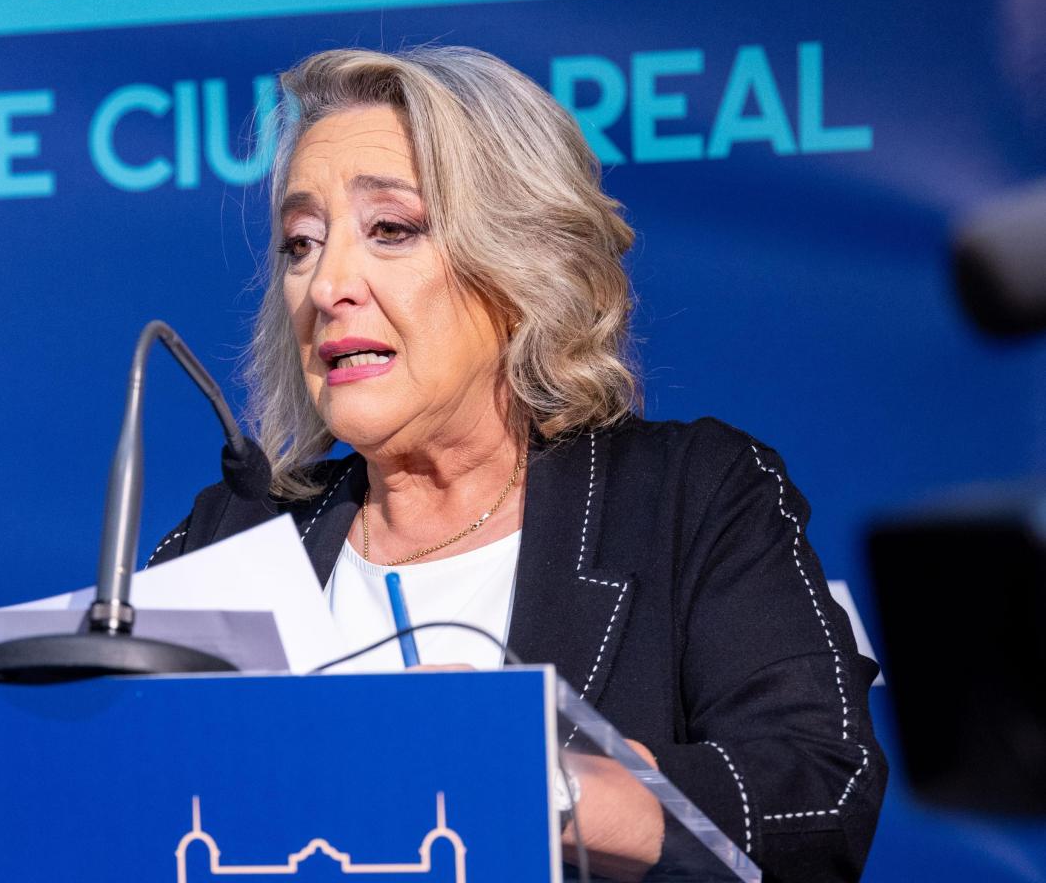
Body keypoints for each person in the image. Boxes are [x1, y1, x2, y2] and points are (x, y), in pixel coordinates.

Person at [147, 46, 885, 881]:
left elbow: (819, 795)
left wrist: (537, 782)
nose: (326, 286)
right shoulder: (234, 534)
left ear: (522, 263)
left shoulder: (688, 498)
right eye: (300, 243)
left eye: (391, 230)